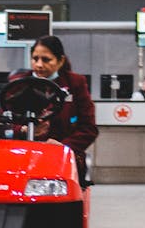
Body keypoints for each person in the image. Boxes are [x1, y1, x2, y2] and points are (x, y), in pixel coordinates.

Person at [27, 36, 97, 184]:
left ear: (60, 61)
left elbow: (89, 128)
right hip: (26, 158)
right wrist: (23, 129)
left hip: (65, 160)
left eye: (46, 60)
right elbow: (1, 122)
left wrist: (63, 147)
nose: (39, 65)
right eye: (35, 59)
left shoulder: (76, 84)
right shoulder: (19, 84)